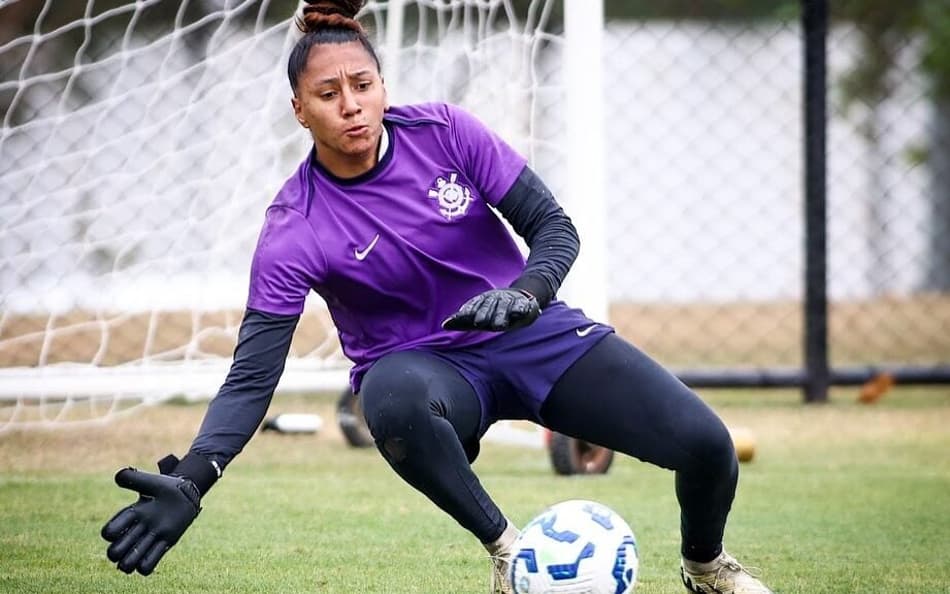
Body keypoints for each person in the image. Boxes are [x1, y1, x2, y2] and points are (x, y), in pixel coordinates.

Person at [100, 2, 773, 592]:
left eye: (362, 85)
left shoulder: (447, 132)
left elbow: (553, 228)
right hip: (426, 375)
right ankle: (509, 555)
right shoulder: (293, 227)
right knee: (386, 398)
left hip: (527, 334)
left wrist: (527, 293)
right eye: (328, 93)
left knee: (708, 446)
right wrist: (194, 476)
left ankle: (706, 568)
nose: (351, 104)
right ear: (299, 109)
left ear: (383, 86)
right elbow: (252, 376)